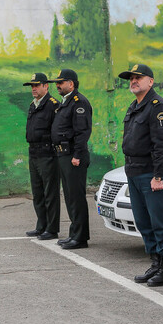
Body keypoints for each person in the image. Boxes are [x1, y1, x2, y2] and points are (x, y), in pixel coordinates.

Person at [118, 64, 163, 287]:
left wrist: (159, 176)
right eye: (131, 78)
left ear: (150, 82)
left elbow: (162, 145)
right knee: (144, 222)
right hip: (134, 172)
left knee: (159, 223)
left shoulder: (157, 106)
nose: (133, 81)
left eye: (138, 78)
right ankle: (154, 263)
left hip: (151, 174)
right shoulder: (135, 106)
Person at [48, 69, 92, 249]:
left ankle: (80, 238)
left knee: (76, 197)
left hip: (73, 156)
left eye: (61, 82)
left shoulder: (78, 102)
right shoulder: (66, 103)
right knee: (69, 196)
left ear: (71, 84)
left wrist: (77, 155)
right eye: (56, 83)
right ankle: (74, 233)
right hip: (63, 155)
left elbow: (82, 132)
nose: (57, 85)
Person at [23, 73, 61, 240]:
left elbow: (57, 131)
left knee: (50, 193)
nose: (34, 89)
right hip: (34, 153)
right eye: (32, 86)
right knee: (37, 192)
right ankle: (41, 225)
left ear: (46, 86)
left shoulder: (53, 105)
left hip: (47, 154)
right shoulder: (33, 105)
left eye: (37, 85)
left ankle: (52, 229)